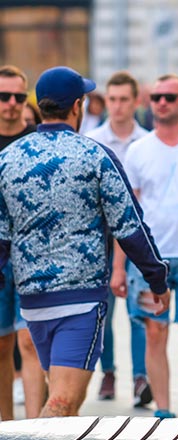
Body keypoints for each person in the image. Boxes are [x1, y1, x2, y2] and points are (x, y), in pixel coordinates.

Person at [0, 66, 170, 417]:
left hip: (32, 302)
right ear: (77, 106)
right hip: (80, 302)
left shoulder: (7, 161)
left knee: (66, 403)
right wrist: (157, 277)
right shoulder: (95, 156)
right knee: (61, 405)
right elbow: (130, 227)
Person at [122, 74, 178, 419]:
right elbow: (127, 214)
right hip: (150, 257)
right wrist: (119, 266)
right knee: (154, 331)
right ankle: (163, 410)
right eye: (157, 96)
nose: (162, 102)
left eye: (170, 97)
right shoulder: (138, 150)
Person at [85, 71, 152, 405]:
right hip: (100, 237)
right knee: (104, 311)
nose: (118, 106)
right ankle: (108, 372)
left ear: (135, 101)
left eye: (124, 99)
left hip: (137, 236)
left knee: (138, 310)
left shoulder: (146, 140)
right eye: (112, 99)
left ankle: (141, 378)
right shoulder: (91, 139)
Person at [0, 64, 40, 421]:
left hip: (32, 256)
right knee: (0, 346)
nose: (11, 103)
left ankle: (33, 427)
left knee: (30, 343)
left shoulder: (38, 140)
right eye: (3, 96)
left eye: (18, 96)